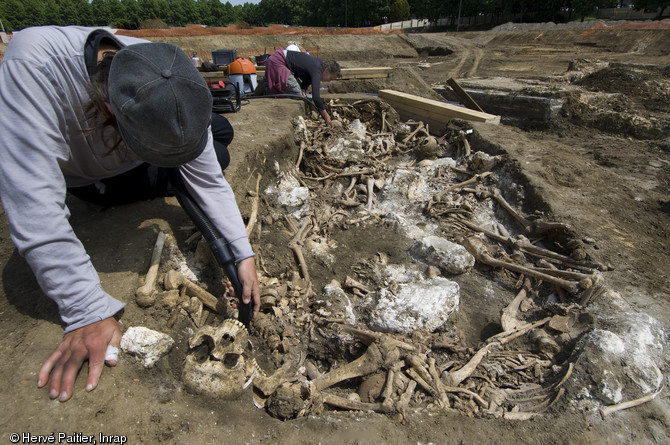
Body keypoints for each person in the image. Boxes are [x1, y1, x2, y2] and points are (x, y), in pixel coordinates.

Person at [0, 26, 261, 402]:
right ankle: (148, 174)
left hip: (135, 156)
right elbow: (32, 200)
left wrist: (242, 251)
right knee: (212, 153)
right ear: (111, 110)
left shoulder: (168, 67)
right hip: (94, 179)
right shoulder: (34, 64)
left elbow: (207, 180)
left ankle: (172, 163)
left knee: (217, 146)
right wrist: (86, 309)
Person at [256, 47, 340, 125]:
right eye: (330, 78)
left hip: (283, 63)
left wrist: (303, 89)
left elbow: (307, 80)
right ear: (327, 70)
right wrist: (326, 117)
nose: (329, 81)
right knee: (296, 93)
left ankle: (268, 82)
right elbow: (316, 97)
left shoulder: (318, 67)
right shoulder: (317, 70)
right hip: (279, 61)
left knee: (299, 92)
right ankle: (266, 86)